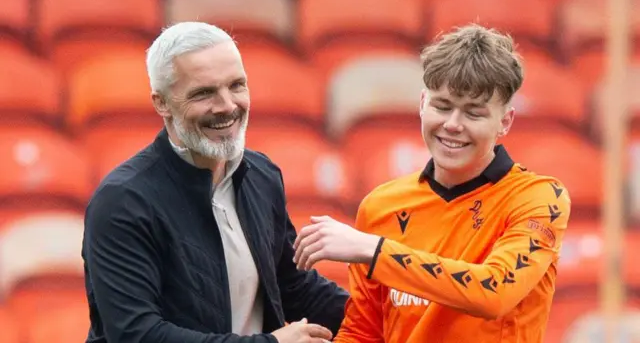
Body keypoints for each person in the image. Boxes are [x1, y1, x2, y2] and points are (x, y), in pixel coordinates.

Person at [293, 24, 571, 343]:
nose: (452, 125)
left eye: (473, 113)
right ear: (422, 103)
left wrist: (374, 250)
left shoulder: (539, 197)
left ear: (504, 122)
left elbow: (494, 292)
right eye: (442, 106)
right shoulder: (381, 206)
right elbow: (364, 331)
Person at [81, 21, 348, 343]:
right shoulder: (123, 201)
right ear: (161, 103)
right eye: (204, 93)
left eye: (236, 85)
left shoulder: (262, 175)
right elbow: (136, 334)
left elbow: (292, 286)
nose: (227, 106)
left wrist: (393, 315)